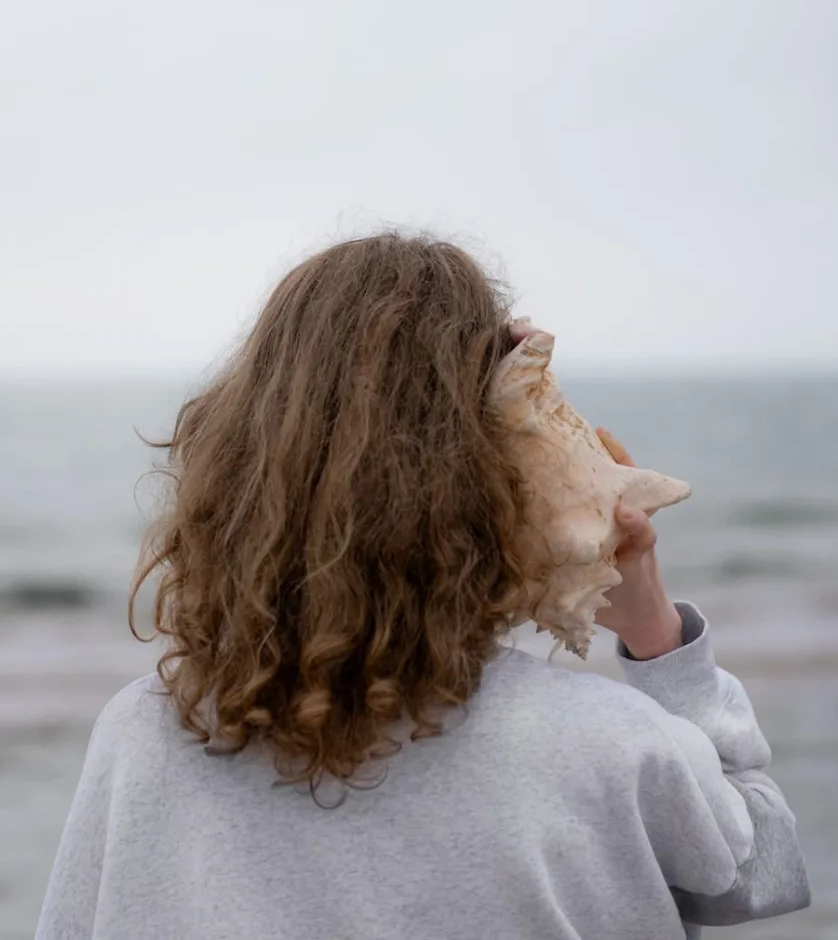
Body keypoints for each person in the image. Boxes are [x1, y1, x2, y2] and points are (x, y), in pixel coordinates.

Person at [36, 233, 810, 940]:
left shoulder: (141, 741)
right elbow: (764, 868)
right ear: (493, 471)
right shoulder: (610, 749)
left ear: (240, 462)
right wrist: (655, 632)